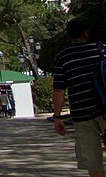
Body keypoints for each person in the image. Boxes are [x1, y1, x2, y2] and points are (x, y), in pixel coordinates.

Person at [52, 18, 106, 177]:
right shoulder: (101, 49)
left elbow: (59, 90)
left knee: (93, 162)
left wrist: (57, 117)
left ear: (69, 36)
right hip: (104, 108)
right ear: (85, 33)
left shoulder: (63, 57)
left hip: (82, 115)